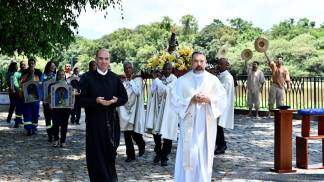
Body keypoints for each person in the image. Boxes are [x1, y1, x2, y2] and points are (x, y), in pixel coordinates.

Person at [172, 52, 227, 182]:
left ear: (206, 62)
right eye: (196, 61)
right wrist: (190, 99)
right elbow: (174, 100)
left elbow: (222, 99)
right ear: (191, 63)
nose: (199, 64)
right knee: (189, 153)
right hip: (188, 123)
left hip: (206, 124)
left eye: (202, 61)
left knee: (204, 154)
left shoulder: (213, 80)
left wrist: (210, 99)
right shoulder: (182, 81)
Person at [80, 48, 128, 182]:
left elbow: (124, 97)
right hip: (94, 124)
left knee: (110, 156)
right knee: (95, 158)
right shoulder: (87, 78)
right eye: (100, 58)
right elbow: (81, 100)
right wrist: (95, 101)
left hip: (111, 125)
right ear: (96, 60)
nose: (103, 62)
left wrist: (115, 101)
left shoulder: (114, 78)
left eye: (106, 59)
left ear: (109, 60)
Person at [146, 62, 177, 166]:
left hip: (169, 110)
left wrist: (156, 79)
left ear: (171, 70)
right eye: (165, 69)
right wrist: (157, 80)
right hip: (158, 109)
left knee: (167, 134)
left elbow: (166, 91)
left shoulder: (175, 80)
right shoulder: (160, 79)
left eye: (169, 69)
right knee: (156, 132)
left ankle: (164, 157)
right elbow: (153, 90)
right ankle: (158, 152)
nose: (167, 71)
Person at [117, 62, 146, 162]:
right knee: (127, 133)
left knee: (135, 133)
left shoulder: (138, 80)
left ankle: (141, 144)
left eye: (130, 68)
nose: (128, 70)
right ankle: (130, 155)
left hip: (135, 109)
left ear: (132, 69)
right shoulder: (123, 82)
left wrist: (131, 81)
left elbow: (137, 92)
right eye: (126, 68)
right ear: (124, 70)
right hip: (125, 109)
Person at [214, 58, 235, 155]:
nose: (218, 66)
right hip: (217, 103)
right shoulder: (220, 75)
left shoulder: (227, 77)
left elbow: (222, 90)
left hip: (221, 105)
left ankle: (221, 145)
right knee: (217, 126)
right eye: (218, 64)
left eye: (220, 64)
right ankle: (220, 144)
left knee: (219, 126)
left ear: (226, 65)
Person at [20, 57, 42, 136]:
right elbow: (22, 83)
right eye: (30, 63)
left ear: (35, 64)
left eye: (33, 63)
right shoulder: (24, 72)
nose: (31, 65)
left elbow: (41, 83)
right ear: (28, 64)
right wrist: (30, 75)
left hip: (36, 97)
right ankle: (28, 129)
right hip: (26, 96)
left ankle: (34, 127)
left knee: (35, 113)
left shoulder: (39, 72)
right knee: (27, 113)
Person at [50, 69, 72, 147]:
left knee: (64, 125)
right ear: (57, 76)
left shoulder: (69, 85)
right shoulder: (52, 85)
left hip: (66, 108)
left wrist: (72, 104)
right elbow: (50, 96)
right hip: (55, 108)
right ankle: (56, 140)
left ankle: (63, 141)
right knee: (55, 124)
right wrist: (50, 103)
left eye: (63, 74)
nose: (61, 76)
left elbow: (72, 96)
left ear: (64, 76)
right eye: (59, 74)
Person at [42, 61, 56, 142]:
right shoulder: (43, 76)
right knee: (48, 120)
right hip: (46, 101)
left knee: (55, 119)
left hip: (54, 102)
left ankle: (54, 134)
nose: (53, 67)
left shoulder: (56, 76)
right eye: (52, 66)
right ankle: (49, 135)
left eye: (54, 66)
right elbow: (40, 88)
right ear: (48, 66)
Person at [12, 61, 27, 128]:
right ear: (20, 66)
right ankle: (17, 122)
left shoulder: (28, 73)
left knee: (26, 109)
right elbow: (15, 83)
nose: (23, 66)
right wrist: (20, 91)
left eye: (24, 65)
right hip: (19, 94)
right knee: (18, 108)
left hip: (27, 94)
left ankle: (26, 123)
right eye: (22, 65)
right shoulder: (16, 74)